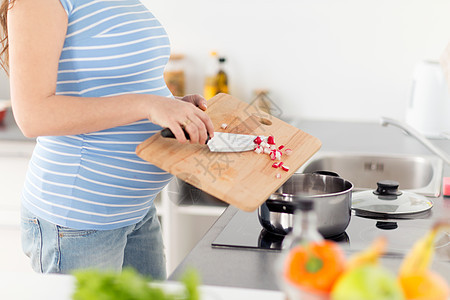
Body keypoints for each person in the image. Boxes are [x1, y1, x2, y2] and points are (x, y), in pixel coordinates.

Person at [0, 0, 214, 279]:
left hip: (136, 211)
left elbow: (118, 87)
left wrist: (173, 107)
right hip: (77, 221)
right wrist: (149, 106)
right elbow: (33, 116)